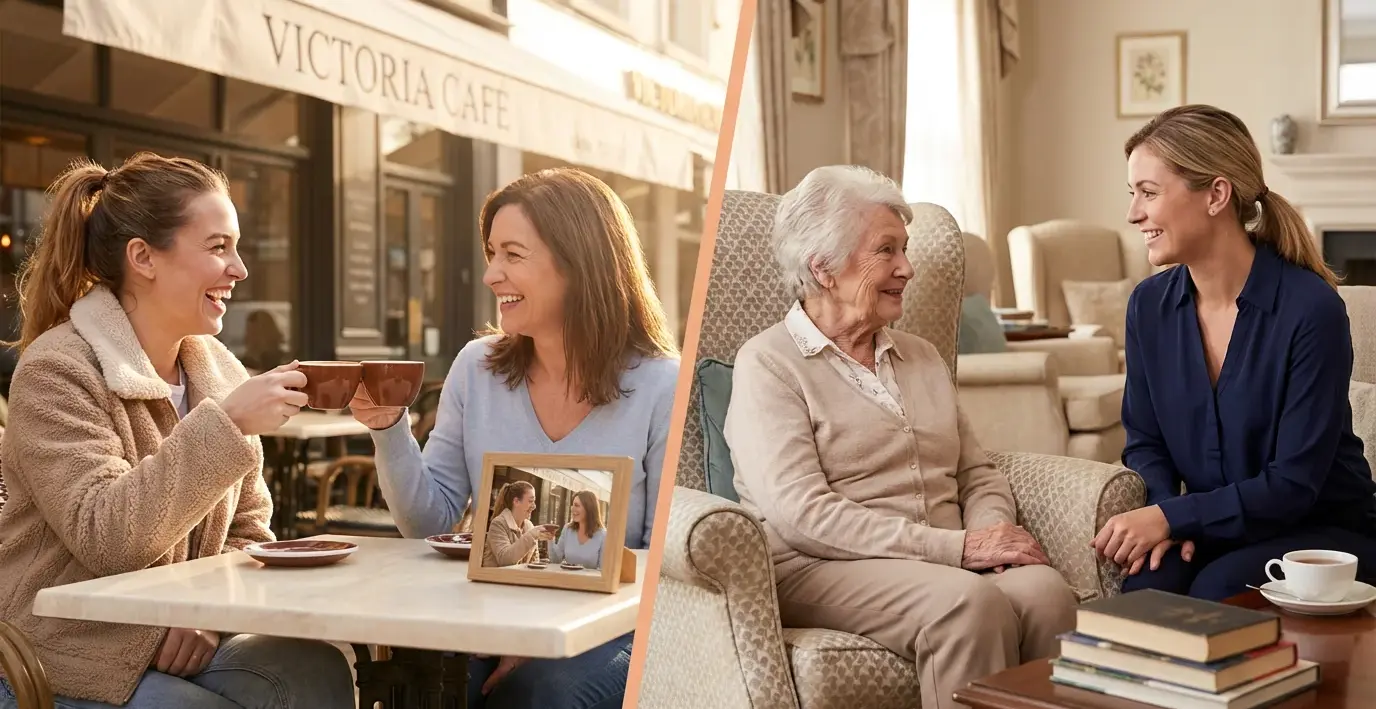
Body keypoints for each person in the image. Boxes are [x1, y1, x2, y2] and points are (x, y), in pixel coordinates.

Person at [0, 154, 354, 708]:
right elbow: (106, 534)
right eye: (218, 247)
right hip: (61, 649)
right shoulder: (58, 370)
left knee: (314, 669)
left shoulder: (215, 371)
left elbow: (250, 531)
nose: (239, 269)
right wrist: (230, 423)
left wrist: (205, 614)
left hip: (181, 637)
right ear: (143, 257)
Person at [727, 165, 1077, 709]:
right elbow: (800, 512)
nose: (907, 268)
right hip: (820, 567)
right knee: (966, 605)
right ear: (824, 267)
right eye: (886, 251)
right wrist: (959, 549)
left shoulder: (920, 355)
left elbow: (975, 472)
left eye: (905, 249)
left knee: (1043, 592)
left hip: (945, 559)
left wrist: (992, 538)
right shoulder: (769, 364)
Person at [348, 167, 679, 709]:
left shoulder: (663, 384)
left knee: (539, 692)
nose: (491, 275)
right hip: (489, 615)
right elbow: (431, 522)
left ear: (579, 265)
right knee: (419, 677)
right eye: (491, 253)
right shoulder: (476, 367)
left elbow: (666, 560)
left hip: (615, 627)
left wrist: (539, 639)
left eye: (513, 255)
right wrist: (389, 429)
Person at [1095, 104, 1376, 600]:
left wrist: (1175, 517)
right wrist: (1165, 516)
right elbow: (1146, 442)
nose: (1133, 213)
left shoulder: (1312, 310)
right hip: (1212, 527)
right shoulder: (1148, 308)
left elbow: (1293, 484)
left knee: (1217, 592)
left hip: (1322, 535)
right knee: (1146, 590)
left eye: (1149, 193)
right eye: (1132, 193)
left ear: (1216, 195)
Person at [483, 481, 554, 567]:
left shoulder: (529, 526)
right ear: (516, 501)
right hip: (494, 579)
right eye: (530, 501)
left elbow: (534, 563)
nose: (534, 506)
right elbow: (505, 560)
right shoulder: (498, 524)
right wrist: (532, 535)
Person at [549, 490, 606, 569]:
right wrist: (550, 539)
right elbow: (555, 560)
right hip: (567, 580)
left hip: (589, 581)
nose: (572, 509)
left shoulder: (603, 535)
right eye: (572, 505)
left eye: (576, 505)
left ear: (588, 508)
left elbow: (602, 570)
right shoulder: (568, 529)